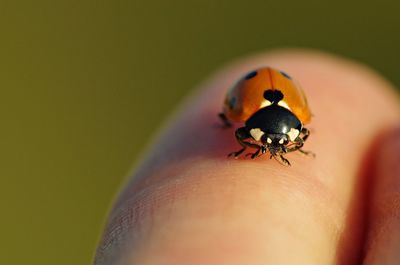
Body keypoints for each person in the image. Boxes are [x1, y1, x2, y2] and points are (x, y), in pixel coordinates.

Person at [94, 50, 400, 265]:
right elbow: (243, 132)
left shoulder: (288, 122)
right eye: (270, 142)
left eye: (281, 142)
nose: (275, 147)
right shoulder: (252, 120)